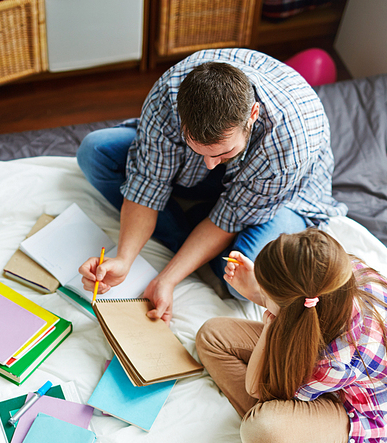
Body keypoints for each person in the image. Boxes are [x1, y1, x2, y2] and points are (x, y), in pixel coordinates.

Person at [76, 48, 346, 322]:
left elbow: (228, 218)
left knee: (245, 281)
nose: (209, 165)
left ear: (253, 114)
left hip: (282, 193)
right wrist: (124, 259)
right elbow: (147, 185)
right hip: (195, 176)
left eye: (222, 153)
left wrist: (167, 279)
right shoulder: (167, 94)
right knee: (95, 152)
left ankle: (192, 242)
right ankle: (195, 244)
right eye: (198, 149)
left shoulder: (288, 145)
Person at [195, 228, 387, 443]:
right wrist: (262, 290)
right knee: (212, 334)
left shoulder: (333, 360)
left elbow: (255, 387)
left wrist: (269, 326)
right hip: (334, 360)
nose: (262, 296)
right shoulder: (341, 273)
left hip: (359, 409)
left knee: (261, 432)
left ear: (291, 311)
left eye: (267, 295)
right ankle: (300, 437)